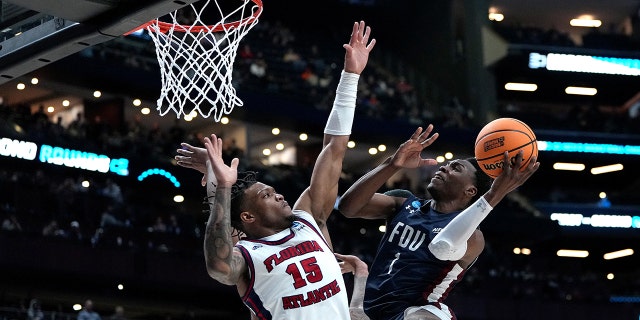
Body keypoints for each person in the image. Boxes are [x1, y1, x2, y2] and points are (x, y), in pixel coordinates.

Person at [178, 21, 376, 319]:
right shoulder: (246, 255)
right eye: (267, 196)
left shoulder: (309, 220)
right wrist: (222, 187)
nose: (280, 195)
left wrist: (350, 77)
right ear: (247, 217)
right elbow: (218, 265)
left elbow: (334, 150)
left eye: (272, 191)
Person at [337, 125, 539, 320]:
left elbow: (443, 246)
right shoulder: (403, 202)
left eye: (455, 168)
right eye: (448, 164)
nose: (444, 167)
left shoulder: (473, 237)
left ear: (470, 191)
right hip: (373, 308)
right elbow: (348, 207)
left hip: (419, 310)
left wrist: (495, 194)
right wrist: (392, 164)